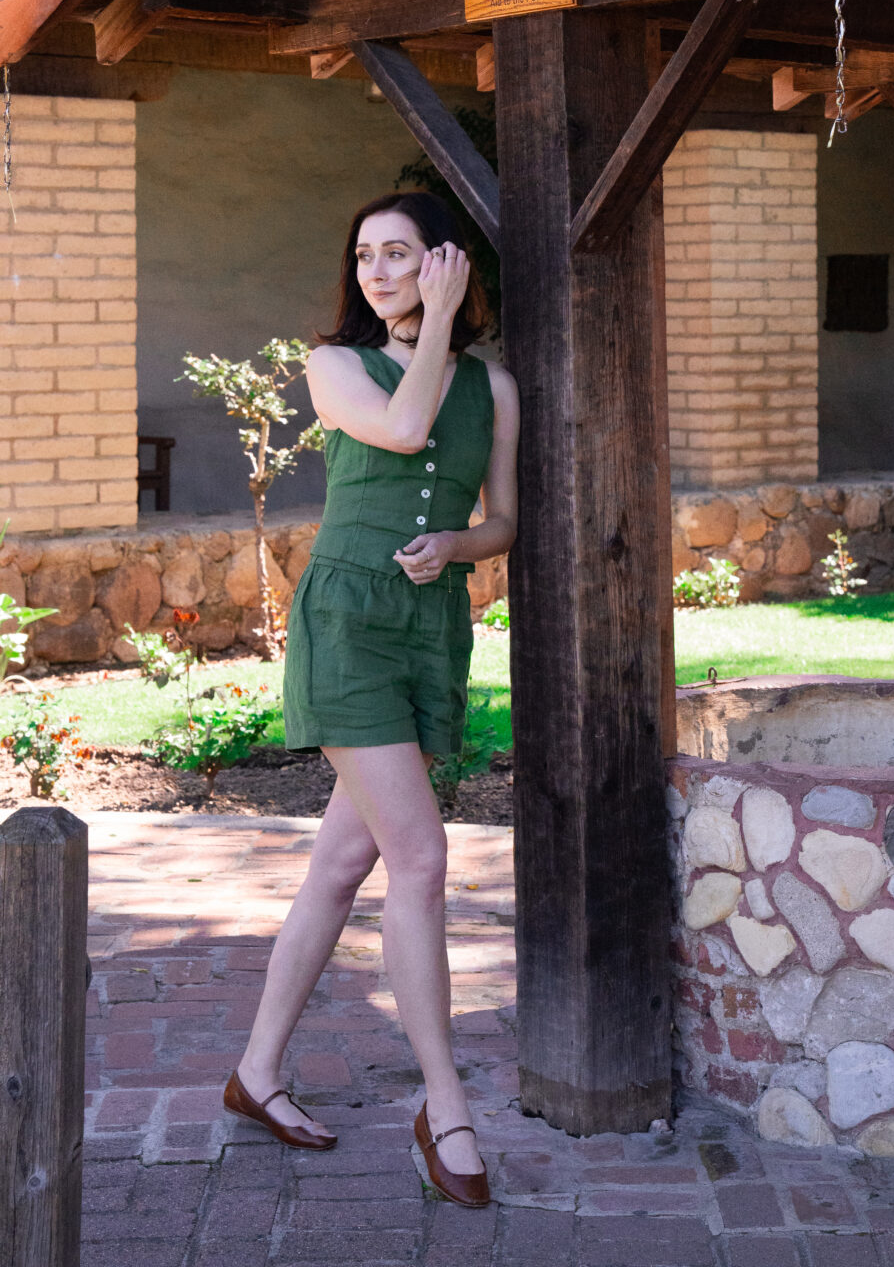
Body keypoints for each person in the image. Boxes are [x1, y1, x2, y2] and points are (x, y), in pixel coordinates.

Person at [223, 191, 518, 1210]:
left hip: (429, 629)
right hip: (347, 622)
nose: (379, 272)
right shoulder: (335, 365)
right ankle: (446, 1108)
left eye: (400, 253)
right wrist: (437, 322)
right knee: (420, 860)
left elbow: (505, 521)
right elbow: (402, 427)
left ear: (445, 260)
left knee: (344, 862)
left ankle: (255, 1073)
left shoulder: (494, 387)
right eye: (365, 257)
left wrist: (459, 545)